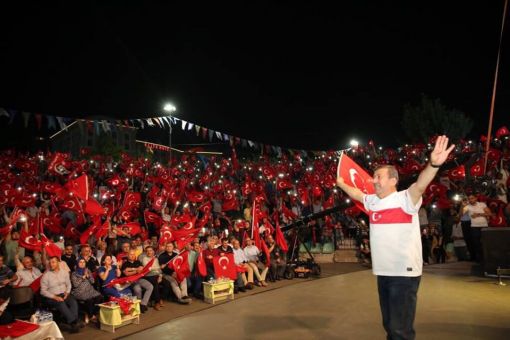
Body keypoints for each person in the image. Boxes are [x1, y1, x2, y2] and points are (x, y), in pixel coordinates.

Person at [336, 135, 455, 340]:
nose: (373, 181)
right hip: (384, 272)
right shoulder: (373, 201)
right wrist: (341, 183)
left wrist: (433, 165)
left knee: (400, 329)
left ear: (393, 180)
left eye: (378, 177)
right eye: (373, 177)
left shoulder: (405, 199)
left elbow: (420, 184)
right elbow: (356, 193)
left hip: (404, 273)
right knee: (390, 324)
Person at [40, 256, 79, 333]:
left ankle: (73, 322)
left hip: (64, 293)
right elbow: (43, 291)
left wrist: (67, 292)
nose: (51, 264)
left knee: (73, 302)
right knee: (61, 303)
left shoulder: (64, 272)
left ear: (58, 262)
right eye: (50, 263)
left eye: (53, 262)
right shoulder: (46, 276)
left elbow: (69, 284)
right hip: (52, 296)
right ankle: (74, 323)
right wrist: (54, 297)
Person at [70, 258, 102, 324]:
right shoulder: (74, 273)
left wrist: (88, 276)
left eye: (83, 262)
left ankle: (90, 314)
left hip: (89, 289)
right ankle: (92, 316)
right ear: (77, 264)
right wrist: (83, 277)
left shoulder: (88, 271)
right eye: (80, 262)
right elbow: (75, 285)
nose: (82, 264)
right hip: (79, 291)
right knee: (89, 300)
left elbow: (92, 281)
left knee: (100, 297)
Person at [463, 194, 491, 262]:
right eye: (469, 199)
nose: (470, 200)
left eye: (472, 198)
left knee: (486, 243)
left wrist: (478, 214)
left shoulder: (482, 204)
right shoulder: (467, 206)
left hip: (484, 226)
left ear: (476, 198)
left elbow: (489, 213)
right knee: (476, 244)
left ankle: (488, 258)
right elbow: (461, 214)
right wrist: (462, 205)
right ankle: (480, 259)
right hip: (474, 227)